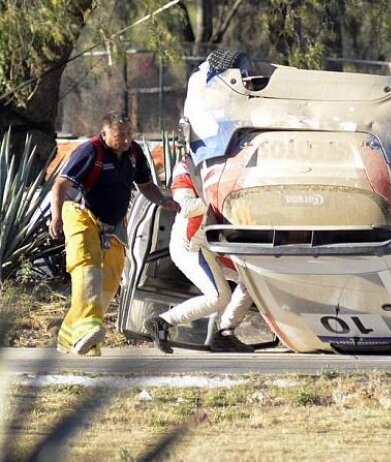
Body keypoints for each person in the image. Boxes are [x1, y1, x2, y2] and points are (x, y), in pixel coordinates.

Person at [49, 111, 181, 356]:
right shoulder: (90, 151)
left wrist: (164, 201)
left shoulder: (133, 154)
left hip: (113, 222)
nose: (126, 139)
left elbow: (146, 186)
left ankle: (71, 337)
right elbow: (61, 185)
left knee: (111, 276)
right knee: (87, 269)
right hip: (80, 214)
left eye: (129, 133)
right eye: (120, 135)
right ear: (105, 132)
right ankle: (87, 328)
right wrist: (55, 216)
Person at [144, 156, 254, 354]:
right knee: (219, 297)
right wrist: (217, 198)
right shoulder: (187, 167)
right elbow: (185, 208)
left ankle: (225, 334)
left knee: (253, 281)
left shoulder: (230, 162)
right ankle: (161, 322)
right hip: (191, 245)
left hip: (213, 245)